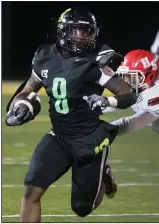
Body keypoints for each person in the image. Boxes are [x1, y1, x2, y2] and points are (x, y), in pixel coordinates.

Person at [6, 7, 137, 222]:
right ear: (63, 32)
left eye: (87, 32)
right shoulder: (44, 56)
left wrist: (107, 100)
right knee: (31, 190)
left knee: (82, 208)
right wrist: (21, 106)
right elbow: (28, 89)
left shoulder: (97, 61)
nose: (82, 37)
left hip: (89, 139)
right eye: (77, 31)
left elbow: (127, 94)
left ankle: (103, 176)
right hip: (58, 136)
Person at [88, 49, 159, 213]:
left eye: (134, 77)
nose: (128, 81)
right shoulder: (140, 90)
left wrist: (104, 128)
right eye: (127, 76)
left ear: (150, 75)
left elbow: (133, 123)